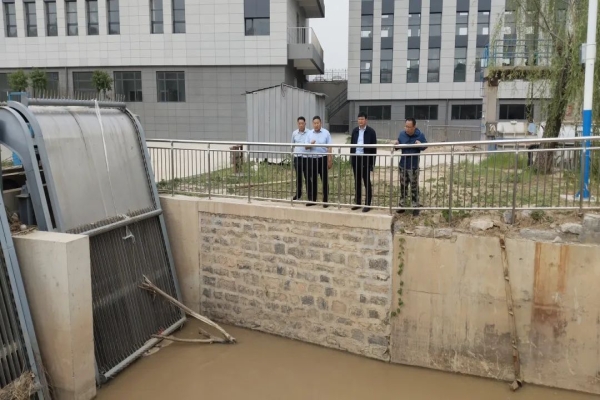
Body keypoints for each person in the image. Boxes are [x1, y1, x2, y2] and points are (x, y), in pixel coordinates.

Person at [392, 118, 427, 216]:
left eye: (409, 127)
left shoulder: (420, 135)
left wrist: (420, 144)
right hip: (403, 165)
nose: (407, 129)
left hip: (413, 166)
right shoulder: (402, 134)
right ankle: (402, 205)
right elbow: (397, 146)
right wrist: (396, 144)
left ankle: (415, 206)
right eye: (406, 126)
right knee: (403, 186)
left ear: (414, 127)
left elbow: (425, 146)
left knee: (414, 187)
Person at [350, 112, 377, 212]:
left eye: (362, 119)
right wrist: (352, 159)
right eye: (359, 119)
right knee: (357, 181)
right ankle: (357, 202)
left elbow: (374, 149)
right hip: (356, 158)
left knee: (366, 181)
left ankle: (367, 203)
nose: (360, 121)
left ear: (366, 120)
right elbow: (352, 146)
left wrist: (372, 163)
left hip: (366, 159)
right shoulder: (355, 131)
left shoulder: (371, 132)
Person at [305, 116, 332, 207]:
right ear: (312, 124)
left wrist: (329, 159)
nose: (316, 125)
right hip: (312, 159)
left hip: (323, 158)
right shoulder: (309, 133)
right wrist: (311, 144)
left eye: (318, 123)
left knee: (324, 179)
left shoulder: (326, 133)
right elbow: (306, 147)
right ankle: (313, 199)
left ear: (321, 123)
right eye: (314, 123)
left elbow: (329, 147)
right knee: (313, 180)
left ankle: (325, 200)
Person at [292, 116, 309, 200]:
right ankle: (298, 194)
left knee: (307, 177)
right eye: (299, 123)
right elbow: (292, 145)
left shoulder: (309, 133)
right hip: (297, 157)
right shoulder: (294, 133)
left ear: (305, 123)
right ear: (297, 124)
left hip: (307, 158)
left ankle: (310, 195)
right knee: (298, 177)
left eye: (302, 123)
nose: (301, 125)